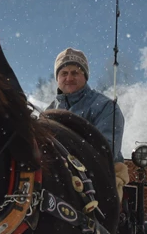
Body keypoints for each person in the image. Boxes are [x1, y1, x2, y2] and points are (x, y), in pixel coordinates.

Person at [51, 48, 128, 199]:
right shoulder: (49, 111)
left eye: (75, 72)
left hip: (100, 176)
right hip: (56, 176)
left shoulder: (106, 107)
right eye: (64, 73)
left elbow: (105, 152)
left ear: (85, 76)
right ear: (57, 78)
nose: (69, 78)